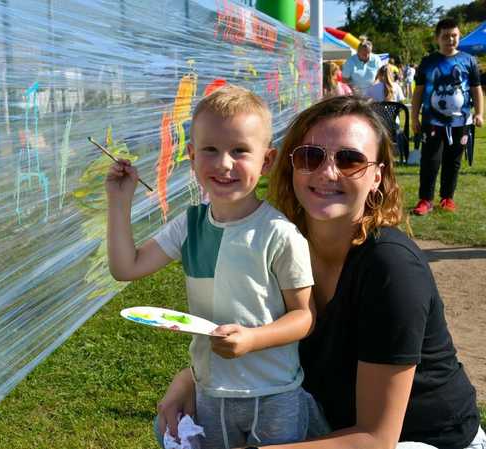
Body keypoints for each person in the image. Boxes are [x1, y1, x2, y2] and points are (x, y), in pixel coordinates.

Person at [156, 95, 485, 449]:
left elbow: (377, 438)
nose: (327, 172)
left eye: (350, 160)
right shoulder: (281, 243)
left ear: (378, 175)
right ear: (290, 166)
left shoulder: (391, 267)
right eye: (310, 157)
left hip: (421, 441)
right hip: (330, 426)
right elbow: (264, 338)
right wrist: (189, 380)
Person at [106, 85, 316, 449]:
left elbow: (304, 317)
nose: (224, 163)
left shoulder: (279, 234)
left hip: (274, 393)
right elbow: (127, 267)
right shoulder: (189, 226)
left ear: (266, 161)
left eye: (240, 151)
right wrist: (119, 202)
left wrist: (252, 339)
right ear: (191, 155)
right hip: (211, 390)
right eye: (210, 150)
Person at [411, 17, 484, 216]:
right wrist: (414, 117)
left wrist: (479, 113)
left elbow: (477, 90)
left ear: (459, 36)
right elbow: (418, 92)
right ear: (437, 38)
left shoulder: (469, 60)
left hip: (461, 122)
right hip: (432, 121)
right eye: (446, 36)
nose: (450, 40)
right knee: (430, 161)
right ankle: (425, 199)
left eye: (454, 36)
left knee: (453, 161)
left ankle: (447, 198)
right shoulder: (427, 62)